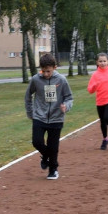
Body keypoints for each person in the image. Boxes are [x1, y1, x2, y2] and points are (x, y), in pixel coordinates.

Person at [25, 52, 73, 180]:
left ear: (54, 68)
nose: (46, 74)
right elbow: (28, 96)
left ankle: (53, 170)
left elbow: (69, 98)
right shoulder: (36, 79)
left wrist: (66, 106)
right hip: (39, 116)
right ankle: (47, 157)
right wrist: (31, 113)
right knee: (37, 141)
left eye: (48, 71)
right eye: (43, 71)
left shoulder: (62, 80)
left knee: (53, 146)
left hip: (56, 118)